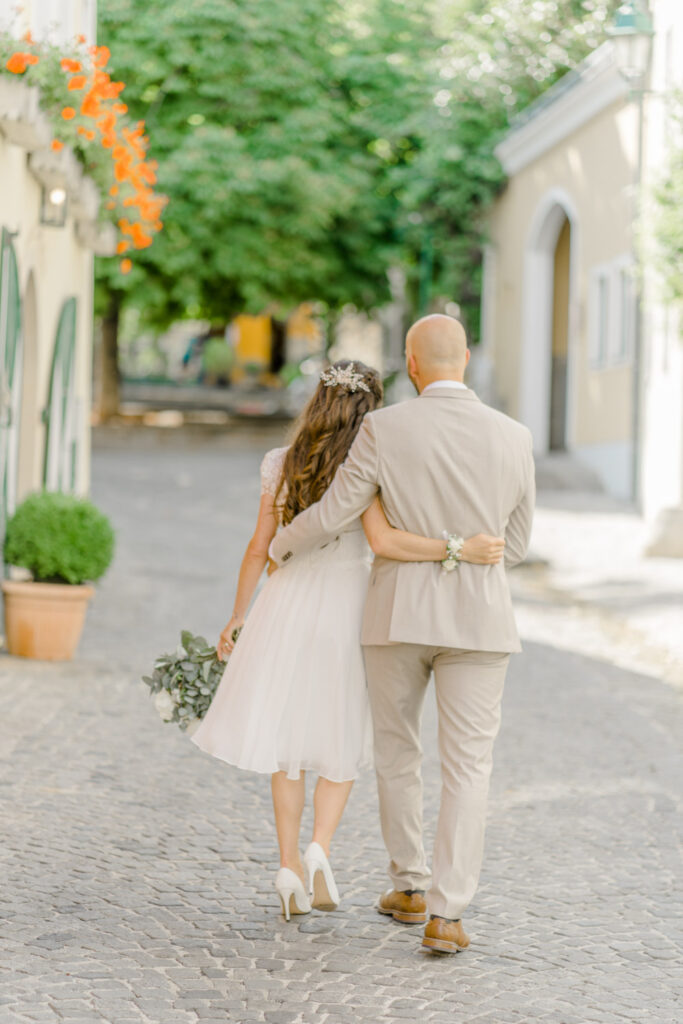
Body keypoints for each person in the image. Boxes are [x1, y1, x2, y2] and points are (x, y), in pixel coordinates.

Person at [191, 359, 506, 923]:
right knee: (341, 729)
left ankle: (288, 865)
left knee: (286, 739)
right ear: (370, 407)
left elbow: (258, 546)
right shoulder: (369, 460)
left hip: (286, 602)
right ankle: (320, 849)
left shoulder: (280, 463)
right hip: (349, 604)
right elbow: (382, 540)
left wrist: (239, 615)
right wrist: (459, 548)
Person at [269, 318, 535, 953]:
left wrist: (281, 545)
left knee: (397, 751)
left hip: (397, 617)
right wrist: (461, 552)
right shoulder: (515, 436)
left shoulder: (383, 430)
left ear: (411, 365)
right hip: (480, 619)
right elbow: (516, 546)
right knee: (469, 766)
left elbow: (335, 511)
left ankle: (409, 886)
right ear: (466, 359)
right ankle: (449, 913)